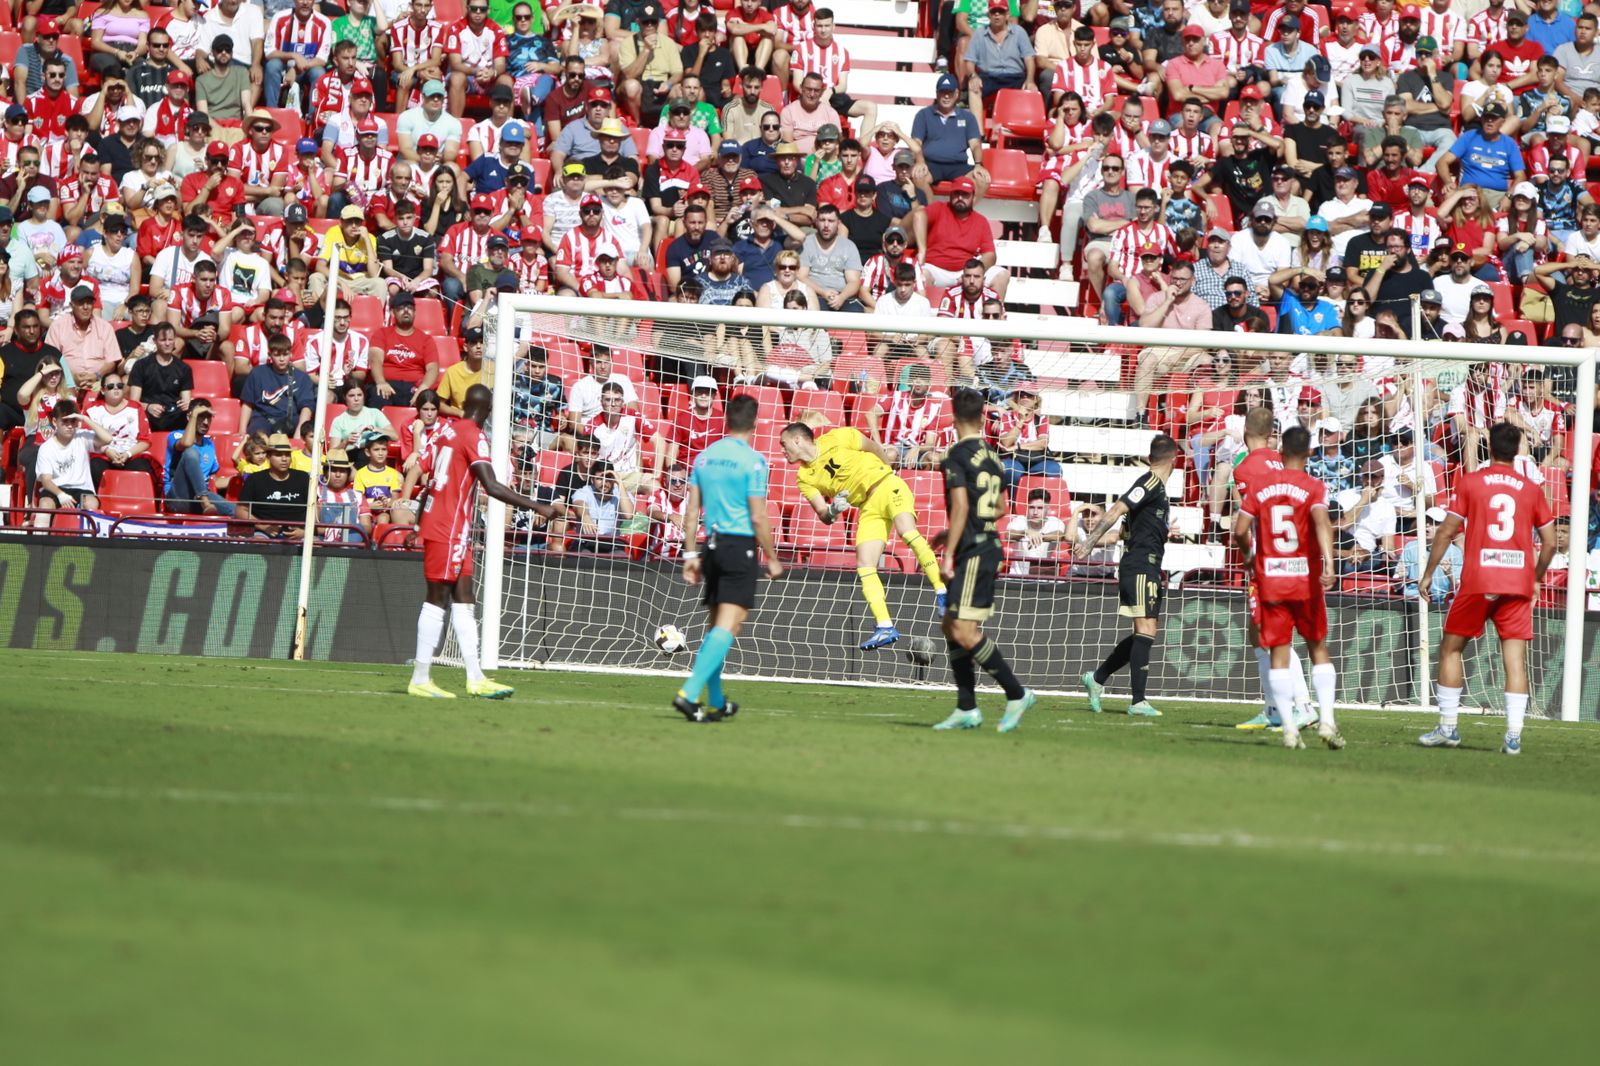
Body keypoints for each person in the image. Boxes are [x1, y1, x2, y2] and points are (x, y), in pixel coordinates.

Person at [408, 383, 562, 700]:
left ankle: (475, 677)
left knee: (464, 598)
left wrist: (418, 522)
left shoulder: (445, 431)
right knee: (437, 598)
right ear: (488, 410)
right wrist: (538, 506)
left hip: (449, 525)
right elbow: (491, 486)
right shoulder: (474, 435)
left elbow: (429, 480)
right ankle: (420, 678)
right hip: (448, 526)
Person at [1419, 422, 1558, 754]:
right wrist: (1536, 578)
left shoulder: (1472, 482)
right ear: (1519, 450)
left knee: (1451, 649)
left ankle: (1448, 728)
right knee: (1515, 659)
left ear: (1490, 448)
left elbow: (1446, 531)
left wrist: (1428, 573)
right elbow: (1551, 543)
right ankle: (1513, 737)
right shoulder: (1531, 488)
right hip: (1517, 581)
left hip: (1480, 579)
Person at [779, 421, 948, 650]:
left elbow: (874, 447)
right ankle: (885, 626)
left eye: (784, 444)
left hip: (887, 486)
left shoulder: (838, 437)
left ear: (797, 439)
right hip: (867, 507)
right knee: (865, 564)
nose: (782, 449)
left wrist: (888, 472)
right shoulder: (804, 477)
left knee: (907, 532)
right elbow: (823, 514)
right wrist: (833, 510)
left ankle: (943, 592)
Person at [927, 386, 1037, 732]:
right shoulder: (993, 456)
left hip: (974, 551)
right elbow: (1001, 507)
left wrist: (948, 554)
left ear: (953, 417)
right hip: (987, 544)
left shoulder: (956, 455)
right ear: (980, 418)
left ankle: (1017, 693)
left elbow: (961, 505)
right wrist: (957, 532)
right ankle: (966, 707)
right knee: (951, 626)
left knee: (963, 629)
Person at [670, 392, 782, 721]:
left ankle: (717, 701)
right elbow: (758, 516)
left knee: (716, 627)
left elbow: (692, 511)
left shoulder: (704, 457)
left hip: (712, 547)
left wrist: (691, 553)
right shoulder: (754, 461)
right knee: (730, 625)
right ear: (755, 423)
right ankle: (689, 693)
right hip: (738, 546)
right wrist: (772, 556)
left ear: (726, 420)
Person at [1232, 425, 1343, 750]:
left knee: (1279, 650)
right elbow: (1322, 523)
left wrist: (1250, 557)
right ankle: (1326, 720)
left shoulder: (1261, 485)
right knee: (1317, 647)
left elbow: (1239, 530)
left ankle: (1290, 729)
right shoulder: (1314, 486)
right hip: (1305, 578)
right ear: (1309, 453)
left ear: (1280, 451)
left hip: (1272, 578)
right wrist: (1329, 563)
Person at [1075, 434, 1179, 717]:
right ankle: (1138, 701)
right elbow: (1115, 509)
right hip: (1140, 565)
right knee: (1145, 629)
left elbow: (1124, 530)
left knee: (1145, 632)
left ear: (1150, 457)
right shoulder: (1150, 483)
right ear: (1174, 460)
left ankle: (1097, 678)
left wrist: (1161, 531)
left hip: (1148, 564)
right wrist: (1089, 541)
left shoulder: (1155, 491)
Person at [33, 400, 111, 523]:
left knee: (91, 503)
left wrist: (85, 419)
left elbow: (108, 439)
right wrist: (61, 495)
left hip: (82, 489)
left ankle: (88, 536)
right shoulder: (46, 448)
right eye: (65, 422)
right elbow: (46, 480)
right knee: (45, 504)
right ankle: (39, 535)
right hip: (56, 489)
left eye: (73, 421)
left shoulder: (82, 436)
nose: (69, 426)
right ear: (55, 422)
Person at [236, 432, 313, 539]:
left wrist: (305, 531)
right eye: (278, 455)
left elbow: (315, 508)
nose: (284, 459)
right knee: (258, 542)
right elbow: (241, 511)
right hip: (263, 533)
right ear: (268, 456)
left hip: (300, 532)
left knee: (315, 544)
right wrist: (264, 526)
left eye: (287, 454)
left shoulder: (303, 478)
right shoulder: (254, 479)